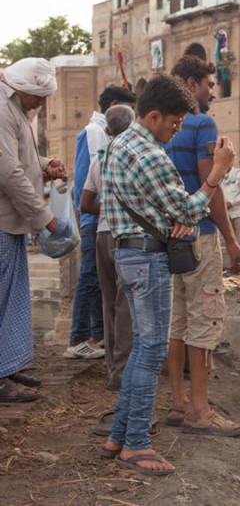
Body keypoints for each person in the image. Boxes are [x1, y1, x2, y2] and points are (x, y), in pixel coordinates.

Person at [101, 74, 236, 475]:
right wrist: (217, 174)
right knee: (152, 348)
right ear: (154, 116)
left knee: (145, 346)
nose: (177, 132)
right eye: (174, 124)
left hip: (129, 253)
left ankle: (119, 435)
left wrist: (177, 217)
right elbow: (189, 210)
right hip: (146, 259)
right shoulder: (149, 154)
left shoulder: (119, 143)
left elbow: (169, 210)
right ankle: (137, 445)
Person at [163, 55, 240, 437]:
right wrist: (231, 240)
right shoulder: (201, 123)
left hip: (169, 236)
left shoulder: (162, 126)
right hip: (201, 233)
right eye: (210, 85)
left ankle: (179, 403)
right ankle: (201, 409)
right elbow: (208, 184)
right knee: (205, 319)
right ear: (193, 84)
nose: (213, 93)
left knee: (177, 321)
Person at [0, 58, 69, 403]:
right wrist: (45, 218)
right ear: (22, 88)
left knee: (12, 298)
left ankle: (6, 368)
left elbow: (22, 159)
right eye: (38, 97)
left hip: (9, 224)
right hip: (2, 220)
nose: (41, 104)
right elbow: (8, 172)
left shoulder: (15, 109)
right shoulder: (1, 109)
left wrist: (45, 165)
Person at [66, 85, 136, 360]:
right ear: (117, 105)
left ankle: (97, 336)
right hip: (96, 218)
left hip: (100, 217)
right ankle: (78, 338)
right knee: (91, 278)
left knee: (100, 282)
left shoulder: (98, 132)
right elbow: (87, 185)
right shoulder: (95, 132)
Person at [80, 104, 135, 390]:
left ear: (107, 130)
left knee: (109, 303)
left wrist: (107, 206)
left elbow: (85, 204)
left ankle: (112, 368)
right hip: (125, 235)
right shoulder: (134, 155)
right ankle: (122, 374)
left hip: (102, 234)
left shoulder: (99, 159)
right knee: (126, 306)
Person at [220, 159, 240, 268]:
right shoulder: (219, 175)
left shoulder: (239, 174)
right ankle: (233, 266)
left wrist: (232, 202)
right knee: (230, 240)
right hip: (226, 212)